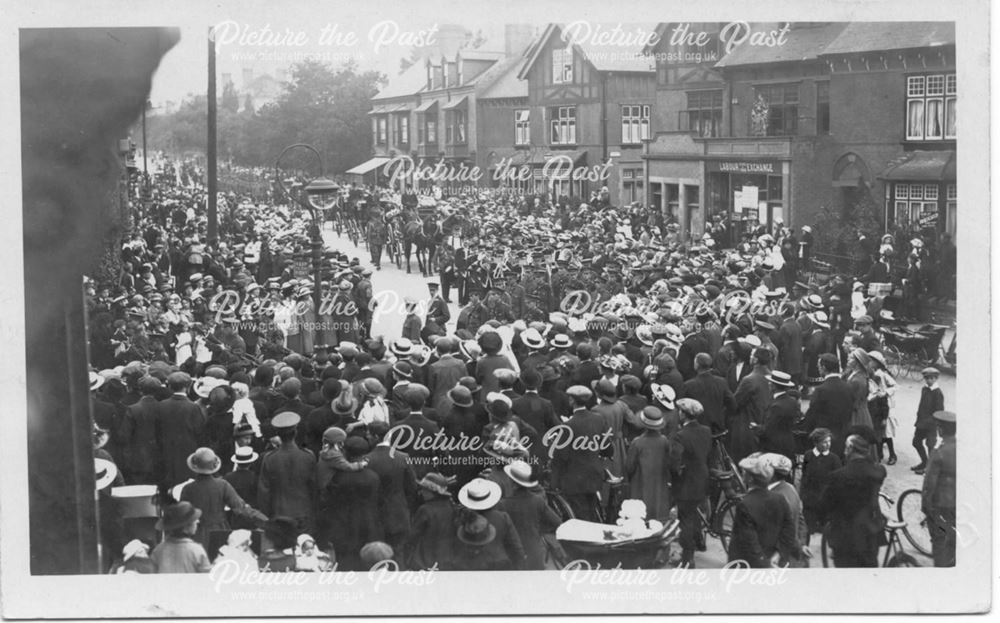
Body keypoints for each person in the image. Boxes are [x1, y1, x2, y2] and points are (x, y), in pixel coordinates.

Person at [818, 434, 886, 567]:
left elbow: (824, 505)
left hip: (846, 538)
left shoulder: (838, 476)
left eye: (845, 448)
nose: (844, 451)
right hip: (870, 533)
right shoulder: (878, 472)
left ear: (850, 448)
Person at [549, 385, 613, 522]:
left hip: (574, 479)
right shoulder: (599, 419)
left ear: (572, 400)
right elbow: (608, 449)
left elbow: (562, 457)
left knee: (581, 516)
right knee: (593, 510)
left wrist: (553, 483)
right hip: (595, 473)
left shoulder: (568, 426)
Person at [180, 447, 266, 547]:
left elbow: (182, 517)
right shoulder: (222, 485)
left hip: (196, 534)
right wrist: (266, 521)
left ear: (195, 467)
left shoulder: (188, 489)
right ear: (214, 466)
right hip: (220, 532)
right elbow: (242, 509)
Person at [727, 454, 799, 568]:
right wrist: (778, 554)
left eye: (744, 472)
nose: (742, 475)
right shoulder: (780, 499)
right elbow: (789, 530)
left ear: (750, 479)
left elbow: (749, 542)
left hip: (751, 565)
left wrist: (765, 565)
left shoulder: (745, 504)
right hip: (774, 558)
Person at [326, 436, 383, 571]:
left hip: (344, 527)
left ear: (345, 452)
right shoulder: (373, 477)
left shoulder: (338, 477)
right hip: (369, 526)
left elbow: (331, 503)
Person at [257, 412, 317, 535]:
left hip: (279, 514)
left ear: (278, 434)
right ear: (295, 432)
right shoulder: (308, 456)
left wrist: (267, 516)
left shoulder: (270, 458)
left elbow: (264, 492)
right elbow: (314, 488)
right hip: (303, 513)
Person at [364, 421, 419, 550]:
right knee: (399, 554)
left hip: (375, 517)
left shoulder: (367, 460)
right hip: (399, 514)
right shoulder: (403, 457)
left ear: (376, 437)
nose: (367, 438)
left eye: (369, 435)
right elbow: (412, 487)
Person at [670, 398, 712, 568]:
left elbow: (675, 462)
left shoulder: (681, 435)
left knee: (685, 518)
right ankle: (699, 543)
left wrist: (676, 475)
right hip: (702, 478)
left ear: (683, 414)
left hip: (687, 481)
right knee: (694, 513)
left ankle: (687, 558)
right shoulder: (706, 431)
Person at [501, 460, 561, 570]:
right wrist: (538, 528)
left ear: (512, 481)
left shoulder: (503, 504)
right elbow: (557, 522)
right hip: (535, 554)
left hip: (512, 556)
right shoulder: (538, 501)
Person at [456, 478, 525, 570]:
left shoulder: (461, 520)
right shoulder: (502, 517)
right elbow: (516, 548)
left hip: (471, 568)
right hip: (499, 565)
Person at [624, 407, 673, 522]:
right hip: (660, 482)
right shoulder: (664, 441)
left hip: (640, 483)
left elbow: (629, 467)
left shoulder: (637, 442)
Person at [922, 410, 956, 567]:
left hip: (941, 503)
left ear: (940, 430)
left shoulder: (939, 452)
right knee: (954, 535)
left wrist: (926, 506)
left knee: (939, 539)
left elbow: (930, 483)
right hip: (957, 501)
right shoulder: (960, 448)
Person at [803, 354, 854, 458]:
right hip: (843, 435)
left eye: (819, 366)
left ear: (824, 368)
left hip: (824, 438)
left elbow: (812, 414)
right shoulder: (848, 387)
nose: (818, 369)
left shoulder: (821, 390)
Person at [407, 472, 457, 570]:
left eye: (424, 490)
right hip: (446, 555)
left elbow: (413, 535)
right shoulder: (450, 506)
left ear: (433, 492)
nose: (421, 492)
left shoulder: (425, 509)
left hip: (426, 557)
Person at [798, 427, 841, 539]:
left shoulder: (834, 459)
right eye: (824, 442)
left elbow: (836, 479)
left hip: (825, 496)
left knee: (824, 525)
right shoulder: (808, 455)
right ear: (816, 443)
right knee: (808, 525)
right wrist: (803, 493)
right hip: (810, 496)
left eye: (829, 441)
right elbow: (805, 474)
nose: (828, 444)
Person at [150, 502, 212, 573]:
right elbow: (207, 578)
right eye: (194, 520)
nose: (197, 521)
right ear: (186, 527)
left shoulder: (158, 551)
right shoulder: (197, 551)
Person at [866, 351, 898, 465]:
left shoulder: (883, 374)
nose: (869, 363)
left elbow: (895, 386)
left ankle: (892, 454)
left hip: (885, 404)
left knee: (886, 432)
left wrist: (885, 392)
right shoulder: (871, 373)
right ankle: (879, 453)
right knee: (879, 432)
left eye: (872, 361)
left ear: (877, 363)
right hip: (876, 403)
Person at [912, 367, 944, 475]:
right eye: (926, 378)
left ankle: (929, 468)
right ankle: (924, 462)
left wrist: (935, 424)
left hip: (931, 424)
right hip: (921, 422)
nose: (928, 380)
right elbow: (921, 405)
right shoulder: (925, 389)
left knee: (930, 445)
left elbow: (939, 411)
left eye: (931, 378)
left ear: (936, 379)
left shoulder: (938, 393)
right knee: (916, 442)